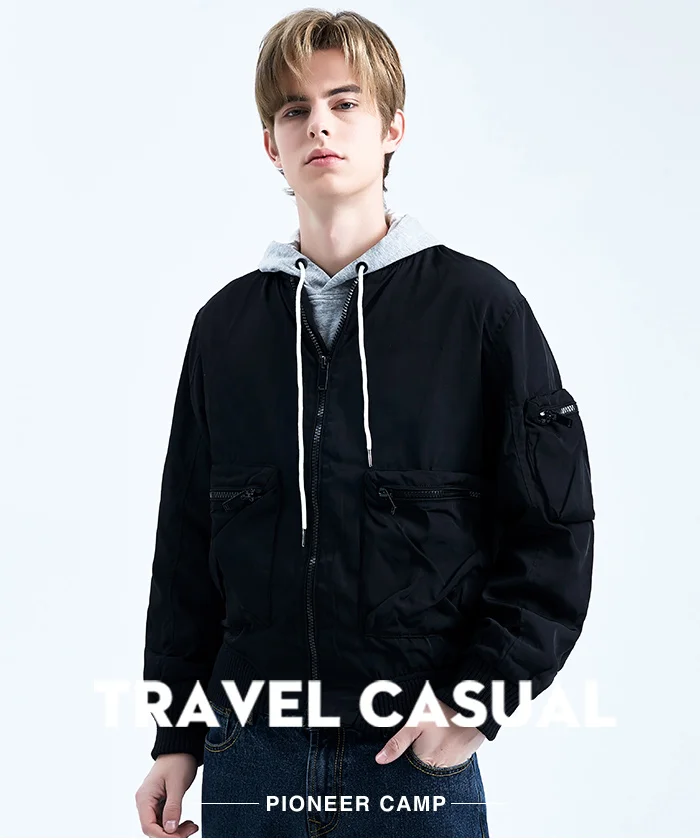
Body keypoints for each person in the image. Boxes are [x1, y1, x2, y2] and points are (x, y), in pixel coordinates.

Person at [134, 8, 595, 839]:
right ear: (271, 145)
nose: (319, 125)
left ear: (392, 129)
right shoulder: (226, 329)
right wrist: (176, 735)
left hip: (410, 754)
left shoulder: (479, 311)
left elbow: (551, 530)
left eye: (345, 103)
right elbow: (186, 548)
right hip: (249, 757)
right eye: (295, 110)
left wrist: (474, 703)